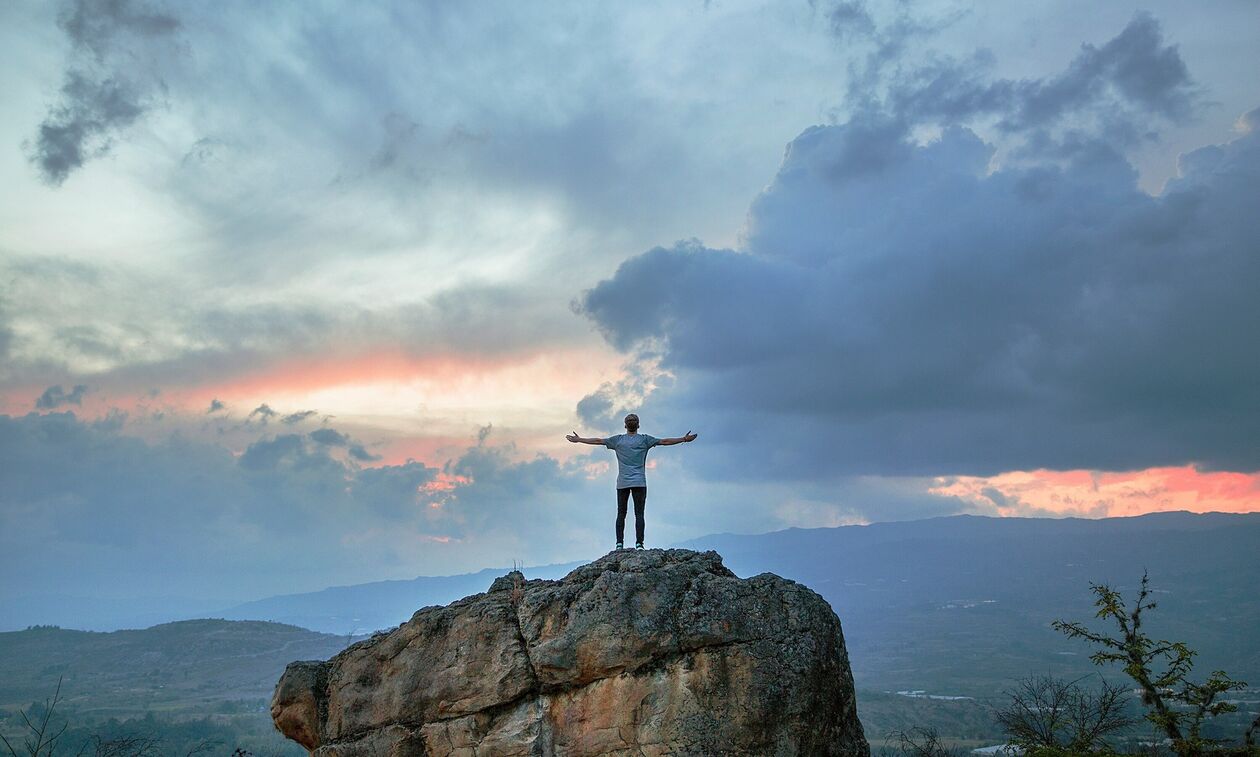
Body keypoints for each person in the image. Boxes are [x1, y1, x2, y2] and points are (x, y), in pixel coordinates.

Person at [567, 413, 697, 550]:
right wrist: (684, 439)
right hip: (640, 482)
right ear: (638, 425)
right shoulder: (645, 440)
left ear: (625, 425)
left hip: (622, 483)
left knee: (621, 514)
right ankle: (639, 544)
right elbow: (665, 441)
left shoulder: (618, 440)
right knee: (639, 514)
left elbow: (598, 441)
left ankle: (619, 544)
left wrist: (579, 439)